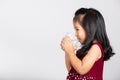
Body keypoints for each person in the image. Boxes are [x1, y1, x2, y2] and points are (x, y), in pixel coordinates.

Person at [61, 8, 115, 80]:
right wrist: (67, 52)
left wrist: (70, 52)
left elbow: (82, 69)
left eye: (77, 29)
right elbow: (71, 69)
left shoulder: (96, 48)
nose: (75, 34)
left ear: (89, 28)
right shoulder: (83, 49)